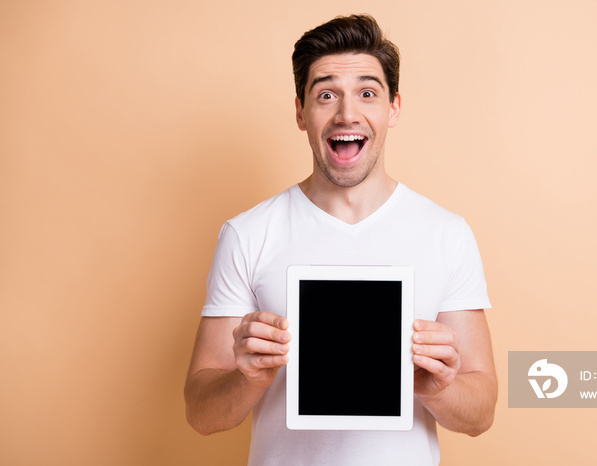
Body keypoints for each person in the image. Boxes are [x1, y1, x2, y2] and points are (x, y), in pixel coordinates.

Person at [185, 14, 497, 466]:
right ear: (300, 112)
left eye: (367, 93)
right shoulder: (248, 234)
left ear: (393, 108)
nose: (347, 114)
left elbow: (481, 412)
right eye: (326, 94)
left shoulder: (446, 234)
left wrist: (435, 387)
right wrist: (248, 378)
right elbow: (200, 413)